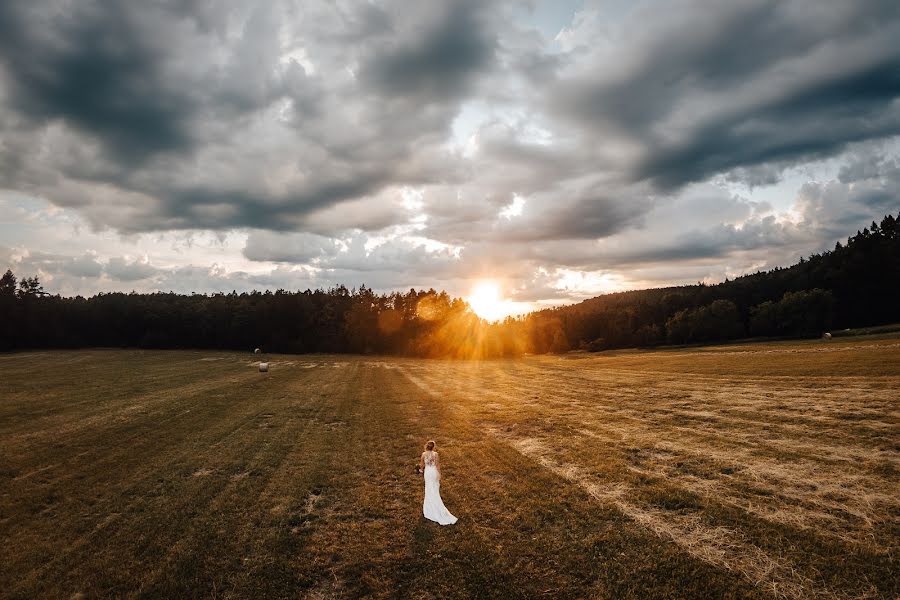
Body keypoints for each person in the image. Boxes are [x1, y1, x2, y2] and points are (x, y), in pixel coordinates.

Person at [419, 440, 457, 525]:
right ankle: (436, 503)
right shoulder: (435, 454)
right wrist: (439, 474)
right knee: (435, 488)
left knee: (428, 488)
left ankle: (429, 506)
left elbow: (422, 465)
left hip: (428, 473)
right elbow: (437, 465)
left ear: (426, 446)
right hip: (433, 472)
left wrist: (421, 470)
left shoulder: (423, 454)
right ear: (433, 447)